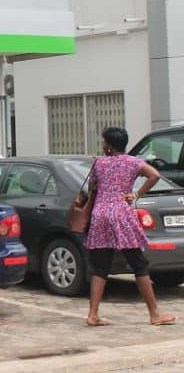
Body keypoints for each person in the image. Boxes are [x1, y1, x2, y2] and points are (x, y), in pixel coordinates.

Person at [83, 127, 176, 327]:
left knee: (101, 266)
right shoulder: (133, 162)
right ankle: (154, 314)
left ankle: (93, 314)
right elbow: (154, 175)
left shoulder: (98, 163)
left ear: (108, 145)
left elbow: (92, 188)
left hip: (100, 214)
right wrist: (136, 194)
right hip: (121, 214)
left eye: (104, 142)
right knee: (138, 264)